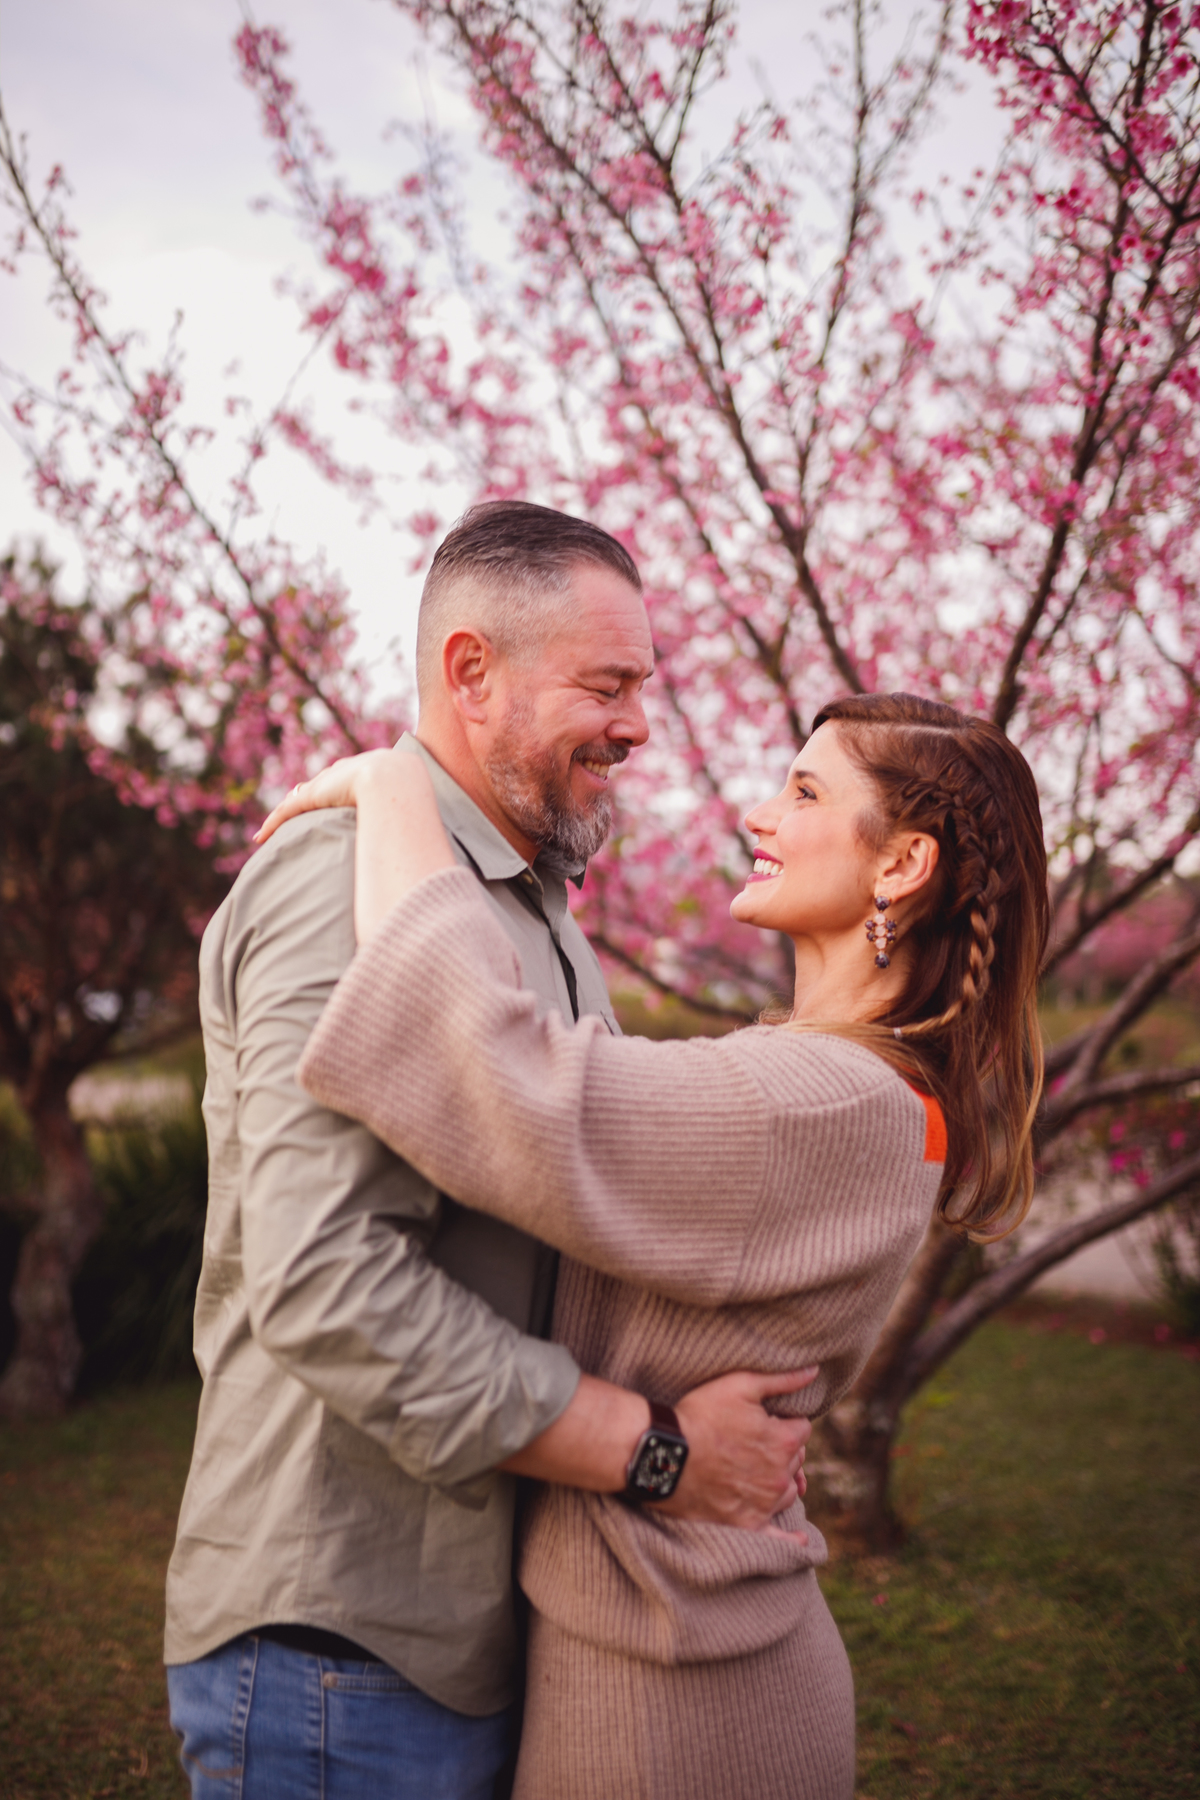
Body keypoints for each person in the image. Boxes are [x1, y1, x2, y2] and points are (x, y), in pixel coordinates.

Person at [257, 690, 1050, 1800]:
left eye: (806, 791)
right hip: (689, 1659)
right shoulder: (847, 1088)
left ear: (903, 864)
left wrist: (397, 783)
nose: (760, 817)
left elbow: (493, 1076)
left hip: (678, 1701)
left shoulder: (822, 1102)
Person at [163, 501, 815, 1800]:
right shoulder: (337, 881)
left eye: (643, 688)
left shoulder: (528, 914)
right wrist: (655, 1450)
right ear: (472, 671)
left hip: (469, 1634)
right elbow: (321, 1280)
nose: (639, 726)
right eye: (607, 685)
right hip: (339, 1646)